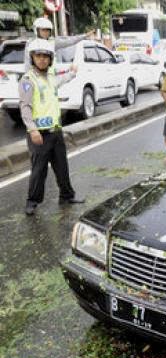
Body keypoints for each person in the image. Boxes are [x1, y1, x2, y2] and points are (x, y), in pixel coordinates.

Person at [19, 39, 83, 215]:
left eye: (45, 56)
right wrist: (32, 129)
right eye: (38, 56)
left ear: (50, 59)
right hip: (39, 134)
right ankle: (32, 201)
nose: (42, 59)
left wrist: (72, 73)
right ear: (32, 58)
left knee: (62, 166)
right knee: (39, 170)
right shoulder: (27, 80)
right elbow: (25, 107)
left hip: (55, 131)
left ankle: (67, 195)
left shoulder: (49, 77)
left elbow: (61, 80)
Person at [24, 17, 94, 72]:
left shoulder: (52, 42)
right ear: (36, 30)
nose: (46, 33)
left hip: (50, 78)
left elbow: (69, 41)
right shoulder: (31, 43)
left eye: (47, 30)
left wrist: (84, 36)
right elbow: (28, 62)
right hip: (35, 78)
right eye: (43, 30)